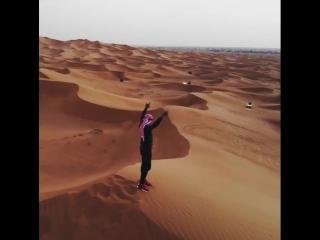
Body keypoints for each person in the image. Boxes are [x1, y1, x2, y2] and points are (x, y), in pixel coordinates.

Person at [137, 102, 168, 192]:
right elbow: (155, 125)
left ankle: (143, 179)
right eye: (150, 120)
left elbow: (142, 117)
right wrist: (162, 117)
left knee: (146, 166)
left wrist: (146, 107)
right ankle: (141, 184)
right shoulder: (146, 127)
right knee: (146, 166)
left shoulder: (142, 125)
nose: (151, 121)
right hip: (146, 149)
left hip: (144, 148)